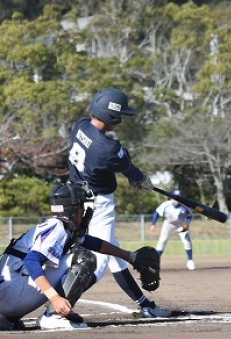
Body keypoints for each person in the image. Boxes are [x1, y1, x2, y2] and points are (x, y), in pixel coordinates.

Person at [0, 182, 158, 330]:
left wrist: (129, 256)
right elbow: (31, 261)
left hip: (3, 295)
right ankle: (53, 317)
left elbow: (94, 243)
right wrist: (54, 297)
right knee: (84, 259)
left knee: (79, 255)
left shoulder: (58, 226)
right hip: (12, 294)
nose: (84, 211)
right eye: (82, 207)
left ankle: (6, 319)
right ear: (75, 209)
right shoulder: (57, 228)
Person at [68, 88, 171, 319]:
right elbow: (129, 169)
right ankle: (57, 308)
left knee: (115, 255)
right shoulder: (108, 147)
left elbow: (109, 162)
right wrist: (142, 180)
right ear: (112, 116)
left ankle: (145, 306)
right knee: (98, 264)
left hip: (76, 202)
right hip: (98, 206)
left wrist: (133, 177)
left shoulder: (80, 126)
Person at [150, 189, 195, 270]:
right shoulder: (166, 204)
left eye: (179, 198)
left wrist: (187, 223)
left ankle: (190, 261)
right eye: (175, 197)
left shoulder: (185, 206)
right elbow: (157, 212)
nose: (177, 199)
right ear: (172, 197)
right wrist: (153, 223)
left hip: (181, 224)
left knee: (187, 241)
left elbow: (189, 215)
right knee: (162, 241)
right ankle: (155, 263)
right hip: (169, 223)